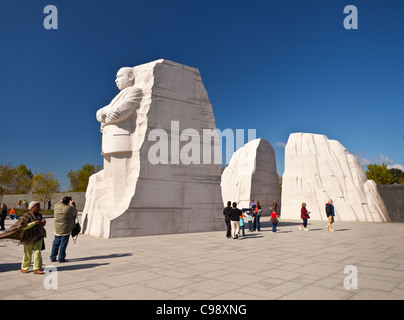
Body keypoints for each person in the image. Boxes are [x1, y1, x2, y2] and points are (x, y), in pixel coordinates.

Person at [0, 201, 47, 274]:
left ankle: (36, 268)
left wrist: (42, 224)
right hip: (29, 238)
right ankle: (24, 267)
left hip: (38, 237)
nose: (39, 208)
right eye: (37, 206)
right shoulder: (26, 216)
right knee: (27, 253)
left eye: (39, 206)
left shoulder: (39, 215)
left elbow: (39, 224)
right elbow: (22, 227)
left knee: (38, 252)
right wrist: (33, 223)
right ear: (32, 207)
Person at [50, 196, 77, 263]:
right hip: (65, 229)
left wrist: (65, 200)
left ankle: (53, 257)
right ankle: (61, 258)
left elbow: (60, 202)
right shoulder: (69, 209)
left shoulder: (56, 206)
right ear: (68, 201)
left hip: (57, 228)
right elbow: (75, 212)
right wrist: (71, 204)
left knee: (55, 243)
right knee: (63, 244)